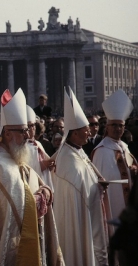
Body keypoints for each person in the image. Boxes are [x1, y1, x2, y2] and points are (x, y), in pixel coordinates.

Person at [0, 89, 63, 266]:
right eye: (23, 131)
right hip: (12, 247)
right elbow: (9, 210)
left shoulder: (15, 158)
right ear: (8, 133)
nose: (27, 135)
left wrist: (46, 192)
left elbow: (36, 184)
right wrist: (39, 199)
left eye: (27, 130)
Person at [52, 89, 109, 265]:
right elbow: (79, 188)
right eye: (85, 129)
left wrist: (98, 183)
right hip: (79, 222)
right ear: (74, 133)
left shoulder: (78, 150)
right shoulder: (68, 159)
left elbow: (89, 175)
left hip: (90, 214)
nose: (89, 133)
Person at [93, 90, 137, 227]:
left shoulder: (125, 147)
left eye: (121, 125)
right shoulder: (101, 151)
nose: (118, 129)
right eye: (114, 125)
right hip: (112, 199)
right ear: (107, 127)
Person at [25, 105, 54, 190]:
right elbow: (26, 168)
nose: (32, 128)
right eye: (29, 126)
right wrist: (42, 165)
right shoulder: (21, 147)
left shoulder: (38, 143)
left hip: (44, 180)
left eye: (33, 125)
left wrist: (50, 165)